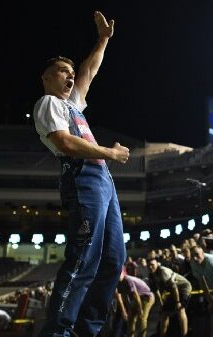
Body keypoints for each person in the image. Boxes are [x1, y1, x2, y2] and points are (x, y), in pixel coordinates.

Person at [32, 10, 129, 337]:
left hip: (104, 181)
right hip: (82, 176)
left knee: (114, 260)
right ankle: (57, 332)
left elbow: (89, 70)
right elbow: (66, 142)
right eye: (62, 71)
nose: (70, 76)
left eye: (70, 72)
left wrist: (102, 39)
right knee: (83, 257)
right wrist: (109, 153)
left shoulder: (72, 104)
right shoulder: (48, 103)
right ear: (46, 78)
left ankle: (87, 331)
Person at [148, 258, 192, 337]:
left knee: (180, 309)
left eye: (152, 265)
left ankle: (184, 335)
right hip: (173, 291)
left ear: (157, 264)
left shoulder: (163, 271)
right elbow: (156, 291)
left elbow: (174, 287)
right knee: (164, 313)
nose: (150, 267)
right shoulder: (151, 275)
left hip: (183, 287)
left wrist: (178, 302)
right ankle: (162, 335)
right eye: (148, 265)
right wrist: (161, 303)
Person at [115, 271, 155, 337]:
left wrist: (140, 309)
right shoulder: (119, 283)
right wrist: (128, 308)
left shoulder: (128, 279)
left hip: (147, 297)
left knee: (142, 318)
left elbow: (135, 295)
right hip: (139, 298)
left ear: (122, 274)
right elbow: (124, 296)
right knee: (131, 318)